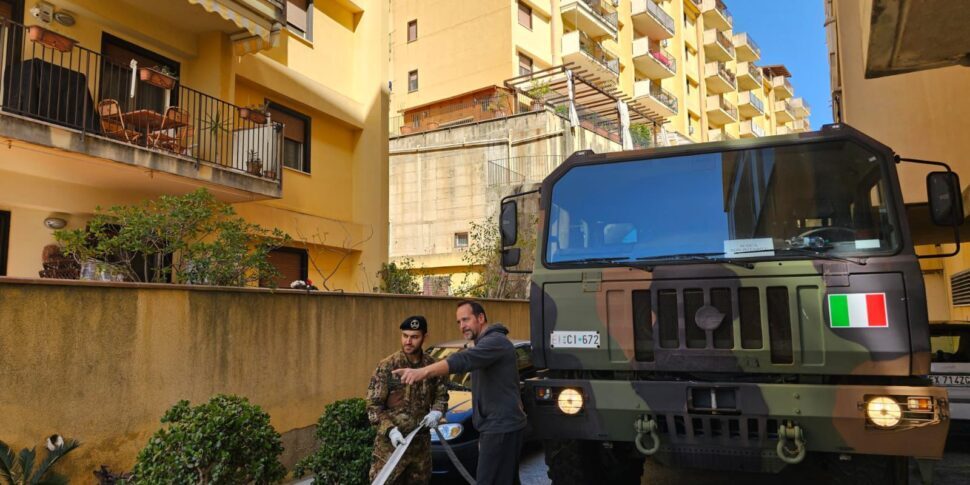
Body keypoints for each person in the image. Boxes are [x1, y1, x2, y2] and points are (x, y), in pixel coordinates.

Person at [393, 300, 527, 485]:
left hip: (501, 428)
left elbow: (463, 360)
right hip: (497, 427)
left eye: (466, 319)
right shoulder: (483, 343)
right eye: (458, 322)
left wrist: (421, 372)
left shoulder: (495, 342)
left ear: (480, 318)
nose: (462, 326)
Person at [366, 315, 449, 485]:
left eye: (414, 337)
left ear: (425, 337)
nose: (408, 341)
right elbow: (373, 407)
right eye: (405, 336)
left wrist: (436, 412)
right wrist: (390, 430)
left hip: (420, 453)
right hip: (390, 452)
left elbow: (442, 397)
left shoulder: (431, 367)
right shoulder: (388, 366)